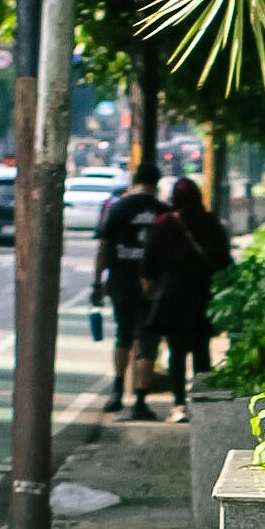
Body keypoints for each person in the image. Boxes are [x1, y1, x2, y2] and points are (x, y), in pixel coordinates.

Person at [131, 174, 230, 423]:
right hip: (203, 294)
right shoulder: (210, 223)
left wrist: (150, 287)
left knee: (176, 351)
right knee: (201, 349)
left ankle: (178, 404)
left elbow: (149, 261)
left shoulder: (163, 223)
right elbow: (224, 259)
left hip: (172, 294)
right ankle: (203, 399)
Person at [90, 156, 162, 416]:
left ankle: (117, 392)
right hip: (152, 288)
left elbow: (103, 247)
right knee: (148, 342)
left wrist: (97, 282)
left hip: (120, 283)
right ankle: (141, 402)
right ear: (156, 184)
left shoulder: (118, 208)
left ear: (135, 181)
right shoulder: (161, 211)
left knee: (123, 336)